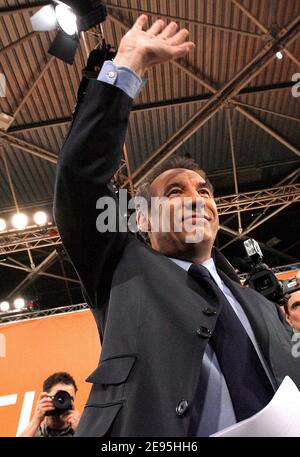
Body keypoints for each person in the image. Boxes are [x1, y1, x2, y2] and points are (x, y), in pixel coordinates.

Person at [54, 15, 299, 437]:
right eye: (174, 192)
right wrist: (128, 64)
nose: (195, 198)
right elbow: (80, 181)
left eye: (204, 192)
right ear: (143, 219)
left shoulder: (262, 307)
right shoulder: (120, 270)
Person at [19, 372, 81, 437]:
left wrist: (81, 429)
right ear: (45, 398)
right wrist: (36, 419)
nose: (63, 402)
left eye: (69, 398)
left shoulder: (79, 429)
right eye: (59, 397)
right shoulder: (34, 432)